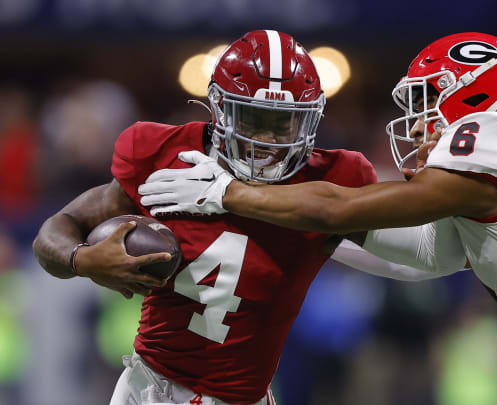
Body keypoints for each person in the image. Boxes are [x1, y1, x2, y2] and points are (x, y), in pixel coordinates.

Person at [138, 32, 497, 404]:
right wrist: (299, 228)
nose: (414, 125)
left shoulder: (495, 133)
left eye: (427, 101)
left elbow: (344, 206)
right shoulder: (495, 177)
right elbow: (426, 256)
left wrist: (230, 193)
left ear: (474, 94)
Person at [32, 30, 455, 405]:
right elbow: (57, 229)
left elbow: (420, 257)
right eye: (255, 119)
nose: (269, 141)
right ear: (219, 110)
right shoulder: (161, 155)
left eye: (285, 124)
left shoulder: (332, 183)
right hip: (147, 390)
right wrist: (81, 259)